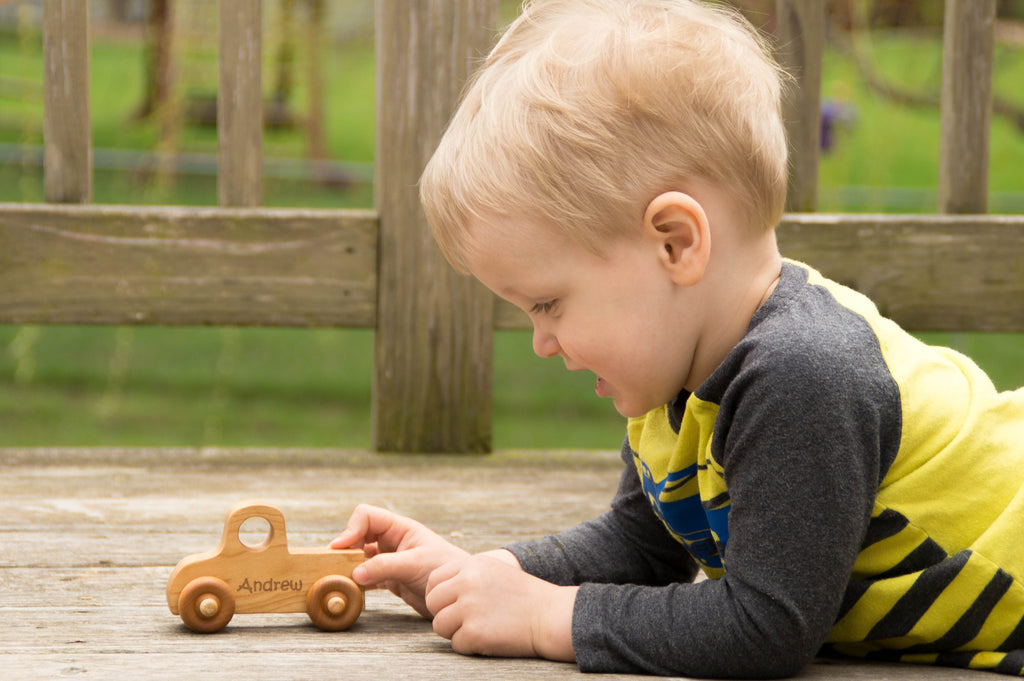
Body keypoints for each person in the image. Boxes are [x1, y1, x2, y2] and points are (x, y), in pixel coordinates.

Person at [331, 0, 1024, 676]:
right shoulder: (677, 377)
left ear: (674, 242)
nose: (541, 341)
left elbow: (766, 626)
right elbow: (641, 544)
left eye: (547, 302)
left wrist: (550, 618)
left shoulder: (803, 372)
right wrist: (485, 574)